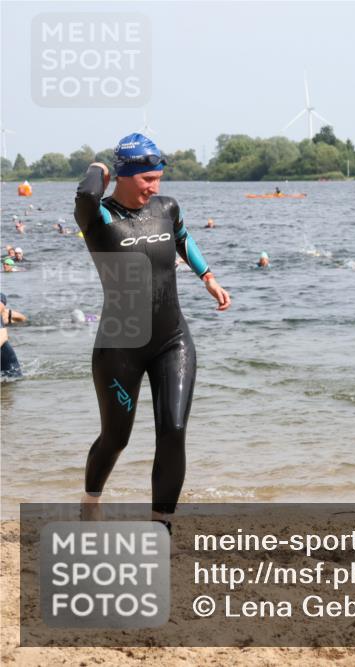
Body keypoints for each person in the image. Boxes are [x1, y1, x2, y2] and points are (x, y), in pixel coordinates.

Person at [74, 133, 231, 533]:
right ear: (123, 176)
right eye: (146, 179)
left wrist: (208, 276)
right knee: (116, 438)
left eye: (158, 178)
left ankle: (161, 524)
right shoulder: (98, 217)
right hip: (119, 346)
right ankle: (91, 498)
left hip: (171, 339)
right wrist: (101, 167)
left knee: (174, 430)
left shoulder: (166, 207)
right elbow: (87, 193)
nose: (154, 187)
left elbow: (182, 237)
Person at [0, 293, 27, 379]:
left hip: (8, 366)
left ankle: (7, 315)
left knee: (10, 385)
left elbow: (3, 335)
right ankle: (7, 316)